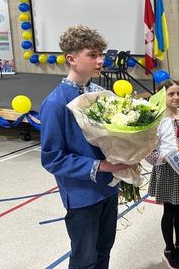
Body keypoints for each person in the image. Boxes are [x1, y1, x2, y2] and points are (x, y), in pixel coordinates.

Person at [41, 25, 134, 268]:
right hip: (82, 196)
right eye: (92, 55)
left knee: (104, 250)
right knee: (85, 259)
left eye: (101, 54)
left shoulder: (101, 94)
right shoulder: (55, 103)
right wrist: (101, 165)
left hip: (109, 188)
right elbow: (52, 158)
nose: (100, 60)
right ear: (71, 59)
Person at [145, 80, 179, 269]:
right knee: (169, 211)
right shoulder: (157, 121)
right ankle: (169, 249)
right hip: (167, 170)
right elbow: (149, 152)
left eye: (178, 93)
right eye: (171, 94)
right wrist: (166, 157)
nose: (176, 97)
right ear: (162, 96)